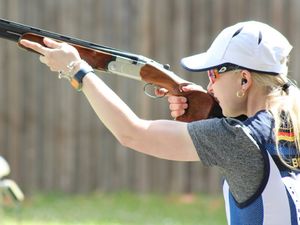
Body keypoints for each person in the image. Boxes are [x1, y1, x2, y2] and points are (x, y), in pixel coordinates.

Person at [20, 21, 300, 224]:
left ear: (244, 80)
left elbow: (132, 133)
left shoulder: (236, 139)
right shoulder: (291, 118)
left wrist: (77, 70)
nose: (209, 85)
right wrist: (212, 114)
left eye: (214, 74)